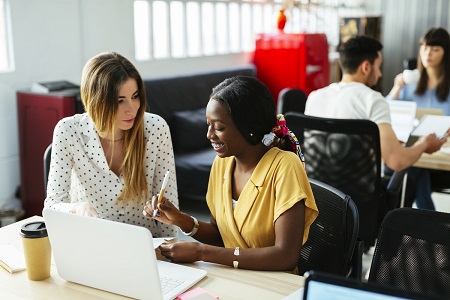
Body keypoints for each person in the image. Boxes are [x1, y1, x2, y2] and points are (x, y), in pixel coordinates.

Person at [143, 76, 318, 272]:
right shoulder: (222, 164)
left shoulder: (285, 166)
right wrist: (179, 219)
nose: (209, 135)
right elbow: (222, 236)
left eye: (219, 127)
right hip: (234, 277)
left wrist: (201, 253)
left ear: (249, 128)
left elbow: (285, 256)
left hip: (274, 284)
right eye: (208, 125)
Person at [44, 52, 178, 237]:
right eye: (119, 101)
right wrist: (76, 208)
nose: (132, 108)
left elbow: (169, 210)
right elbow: (52, 204)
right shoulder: (68, 131)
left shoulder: (156, 129)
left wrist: (170, 255)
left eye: (135, 96)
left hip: (145, 245)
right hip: (92, 241)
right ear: (96, 101)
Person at [304, 35, 446, 208]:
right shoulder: (373, 99)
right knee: (410, 183)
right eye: (378, 67)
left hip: (318, 195)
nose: (379, 74)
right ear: (366, 67)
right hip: (359, 200)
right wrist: (424, 144)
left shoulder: (315, 97)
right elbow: (396, 161)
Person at [387, 27, 450, 210]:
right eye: (424, 47)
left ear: (446, 53)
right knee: (415, 167)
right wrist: (396, 89)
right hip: (417, 149)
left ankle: (396, 216)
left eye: (435, 49)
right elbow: (386, 112)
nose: (428, 53)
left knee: (412, 168)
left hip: (441, 151)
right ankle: (430, 227)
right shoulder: (410, 83)